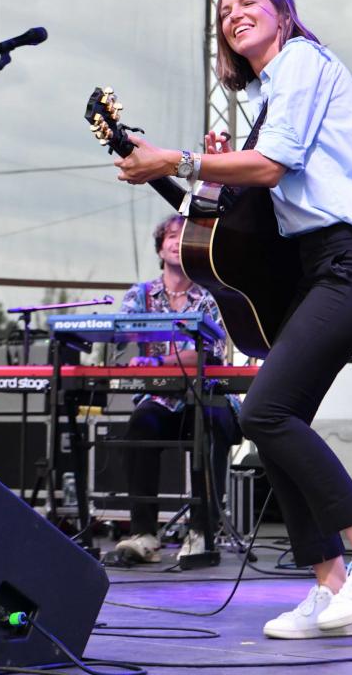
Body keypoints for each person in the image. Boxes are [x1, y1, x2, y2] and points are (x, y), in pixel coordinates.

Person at [114, 0, 352, 637]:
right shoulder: (269, 97)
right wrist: (176, 170)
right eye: (225, 9)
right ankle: (330, 586)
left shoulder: (304, 61)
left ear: (283, 14)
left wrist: (179, 158)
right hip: (318, 266)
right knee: (278, 424)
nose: (234, 14)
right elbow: (230, 218)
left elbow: (273, 164)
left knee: (265, 410)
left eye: (248, 2)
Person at [114, 213, 240, 564]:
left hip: (207, 395)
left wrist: (157, 360)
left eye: (183, 237)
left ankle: (201, 532)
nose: (176, 242)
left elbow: (209, 352)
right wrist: (158, 357)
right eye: (171, 235)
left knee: (211, 423)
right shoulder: (140, 295)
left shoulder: (210, 297)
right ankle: (143, 534)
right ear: (160, 247)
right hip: (161, 398)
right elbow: (121, 340)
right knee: (141, 423)